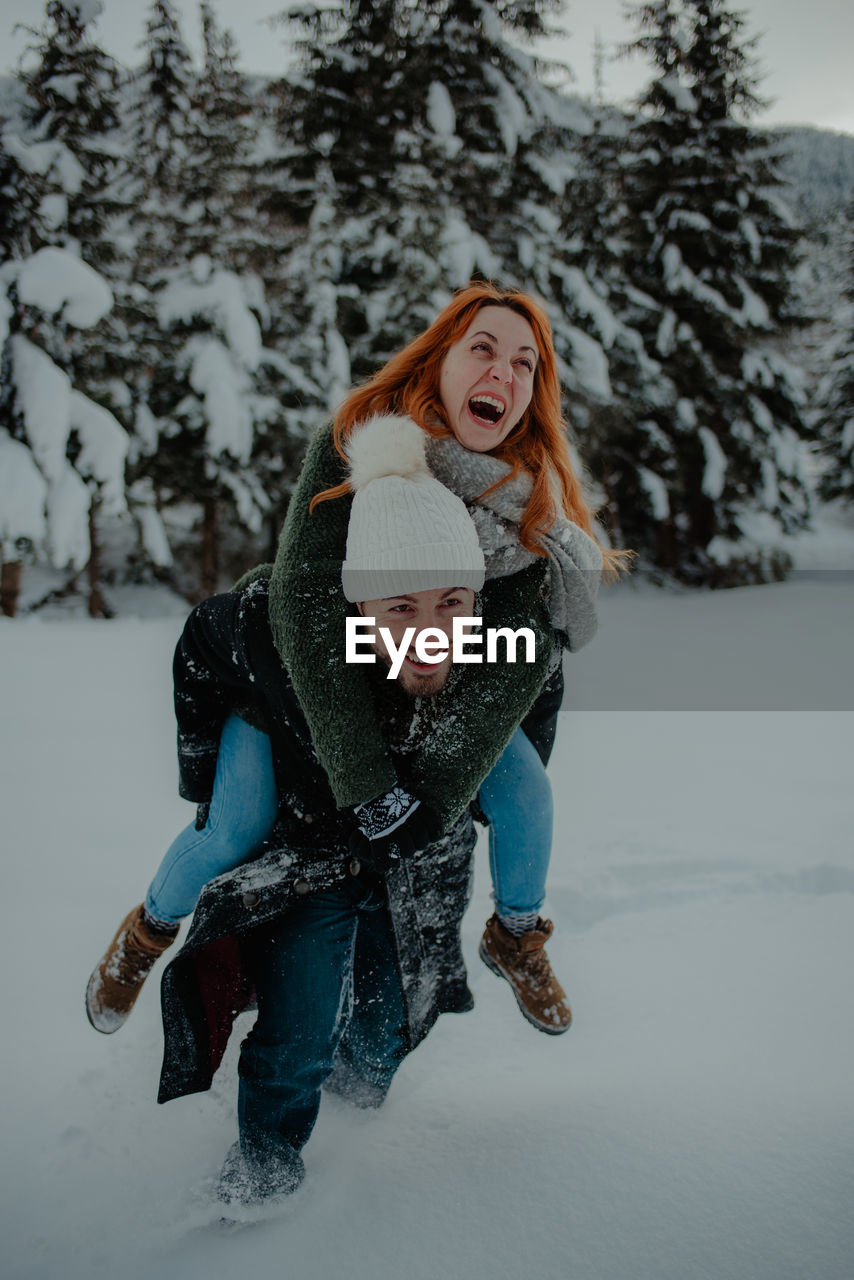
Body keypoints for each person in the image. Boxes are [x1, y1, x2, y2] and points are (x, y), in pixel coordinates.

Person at [90, 425, 561, 1203]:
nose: (434, 631)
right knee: (245, 870)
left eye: (453, 603)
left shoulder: (482, 652)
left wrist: (480, 781)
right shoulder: (291, 641)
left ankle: (372, 1095)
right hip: (301, 831)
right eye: (402, 607)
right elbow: (207, 655)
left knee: (384, 1027)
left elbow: (537, 686)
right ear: (354, 603)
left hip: (393, 853)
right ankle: (149, 943)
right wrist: (220, 762)